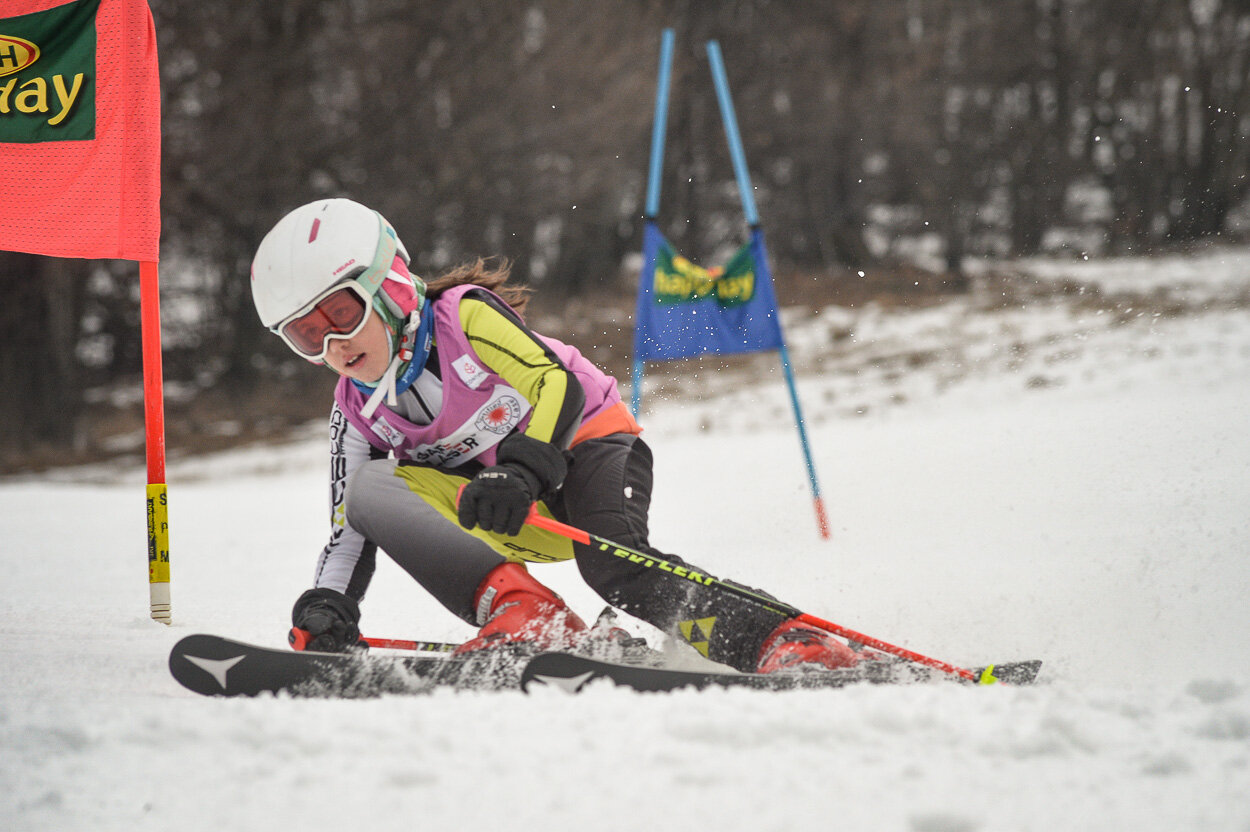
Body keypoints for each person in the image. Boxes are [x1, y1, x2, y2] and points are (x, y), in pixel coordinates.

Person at [250, 197, 863, 674]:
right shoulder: (354, 408)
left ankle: (783, 640)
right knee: (370, 487)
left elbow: (554, 384)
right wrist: (329, 607)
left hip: (588, 450)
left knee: (614, 567)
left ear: (391, 289)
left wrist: (520, 470)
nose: (333, 345)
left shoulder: (462, 316)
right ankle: (528, 615)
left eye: (340, 315)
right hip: (507, 511)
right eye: (306, 336)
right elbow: (349, 524)